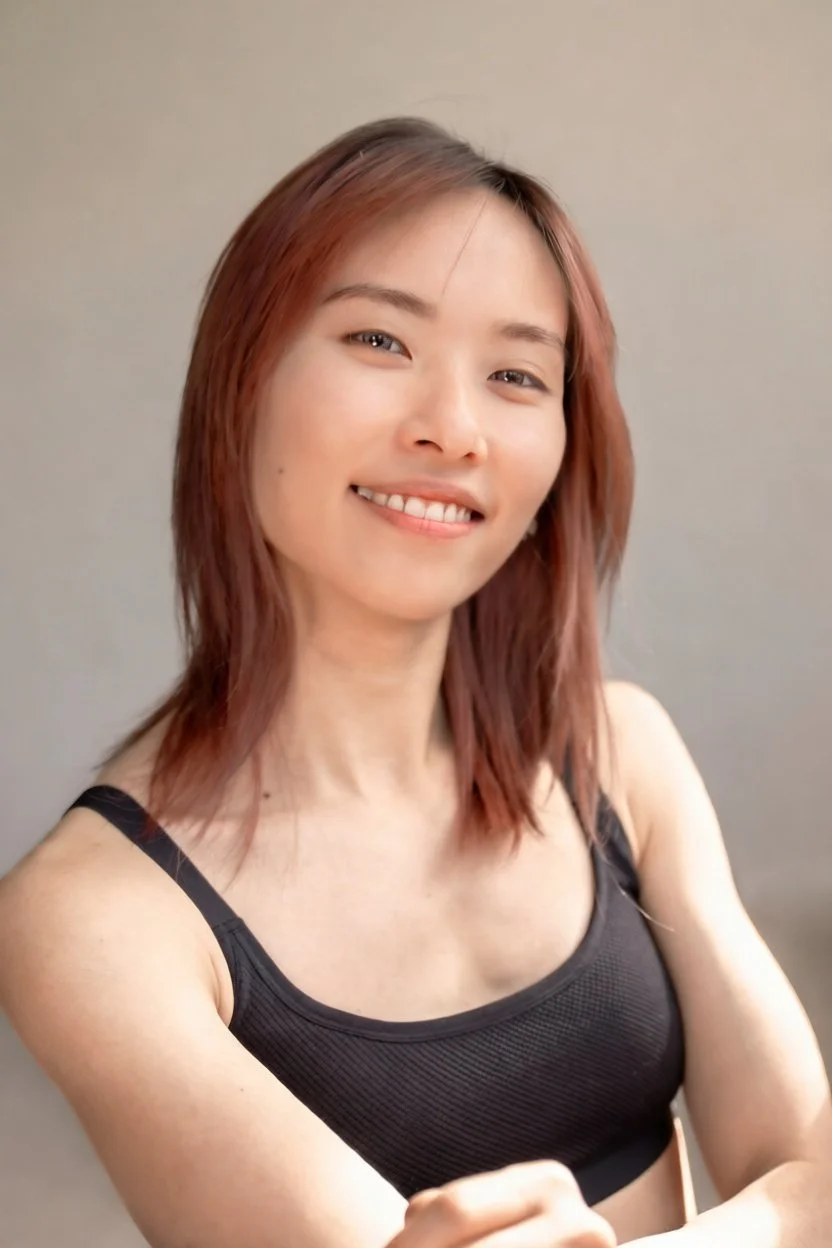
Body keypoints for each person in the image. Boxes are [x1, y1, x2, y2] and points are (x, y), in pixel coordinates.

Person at [0, 117, 829, 1248]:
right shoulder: (93, 916)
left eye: (516, 375)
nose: (452, 429)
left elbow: (810, 1168)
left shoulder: (616, 754)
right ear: (241, 382)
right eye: (381, 343)